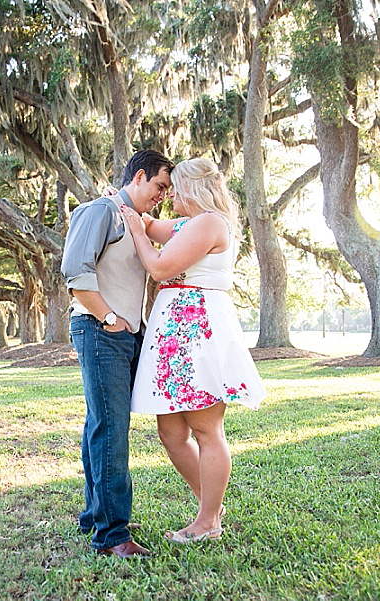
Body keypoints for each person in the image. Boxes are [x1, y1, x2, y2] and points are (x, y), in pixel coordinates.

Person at [118, 157, 266, 544]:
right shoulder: (188, 225)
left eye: (173, 188)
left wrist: (137, 234)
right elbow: (152, 225)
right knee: (170, 432)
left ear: (192, 188)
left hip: (196, 332)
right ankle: (210, 505)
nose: (168, 195)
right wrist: (125, 207)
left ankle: (207, 522)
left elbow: (160, 267)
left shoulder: (211, 223)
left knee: (205, 428)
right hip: (173, 333)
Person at [61, 149, 174, 559]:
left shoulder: (134, 220)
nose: (162, 195)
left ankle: (97, 515)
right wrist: (109, 317)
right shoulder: (100, 211)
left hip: (124, 330)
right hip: (99, 329)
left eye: (168, 190)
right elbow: (75, 271)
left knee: (101, 423)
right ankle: (112, 535)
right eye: (160, 186)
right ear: (139, 176)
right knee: (111, 429)